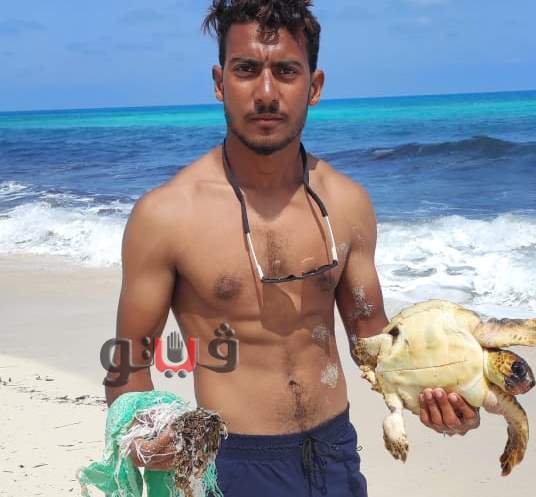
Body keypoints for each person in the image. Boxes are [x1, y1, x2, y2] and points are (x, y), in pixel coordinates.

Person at [104, 1, 480, 495]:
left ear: (314, 86)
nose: (266, 93)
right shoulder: (167, 215)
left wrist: (443, 396)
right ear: (219, 82)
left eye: (285, 71)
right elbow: (127, 365)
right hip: (232, 465)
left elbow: (373, 340)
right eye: (246, 70)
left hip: (335, 455)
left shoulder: (346, 204)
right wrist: (144, 439)